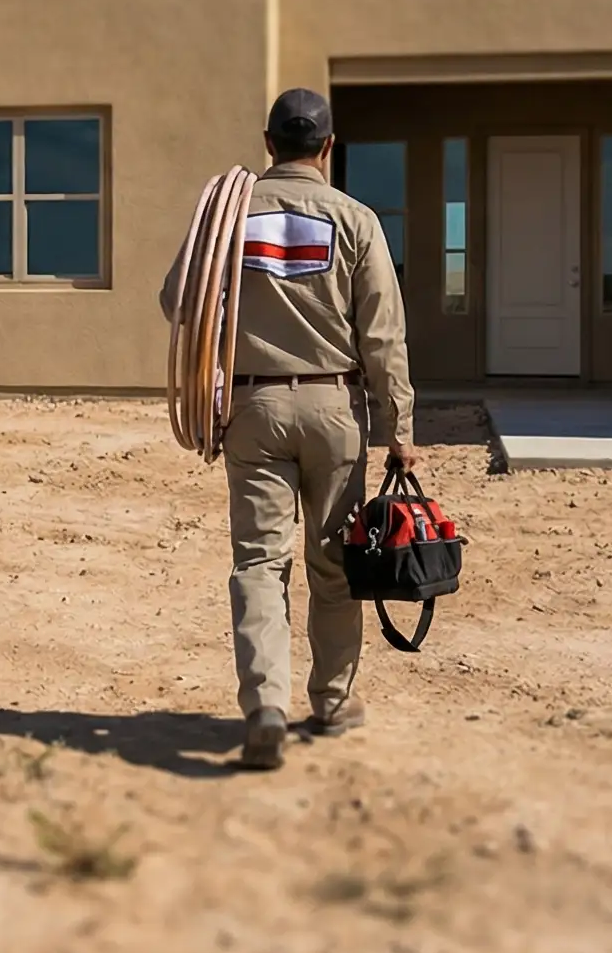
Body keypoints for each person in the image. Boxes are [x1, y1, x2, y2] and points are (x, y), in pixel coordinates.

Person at [160, 87, 419, 770]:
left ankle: (266, 707)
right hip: (335, 411)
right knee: (334, 563)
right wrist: (400, 428)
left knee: (258, 564)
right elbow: (383, 336)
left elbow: (174, 302)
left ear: (268, 143)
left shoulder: (231, 216)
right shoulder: (356, 219)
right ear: (328, 147)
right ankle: (331, 701)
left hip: (254, 409)